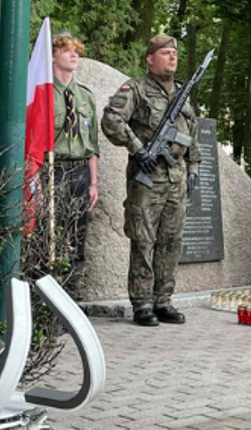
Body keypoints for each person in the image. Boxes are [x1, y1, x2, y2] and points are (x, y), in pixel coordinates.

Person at [101, 34, 200, 326]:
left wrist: (193, 168)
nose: (173, 57)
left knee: (172, 241)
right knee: (143, 240)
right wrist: (137, 147)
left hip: (176, 180)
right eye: (166, 53)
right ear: (150, 59)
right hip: (147, 180)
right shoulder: (135, 88)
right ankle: (142, 304)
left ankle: (163, 300)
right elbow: (111, 120)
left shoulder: (182, 92)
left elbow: (191, 133)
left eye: (175, 53)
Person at [51, 31, 100, 291]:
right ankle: (50, 300)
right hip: (52, 172)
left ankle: (72, 294)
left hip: (80, 174)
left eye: (77, 51)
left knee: (78, 237)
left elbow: (92, 144)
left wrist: (93, 182)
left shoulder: (84, 96)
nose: (74, 55)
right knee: (51, 236)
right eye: (67, 50)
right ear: (53, 55)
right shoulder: (42, 92)